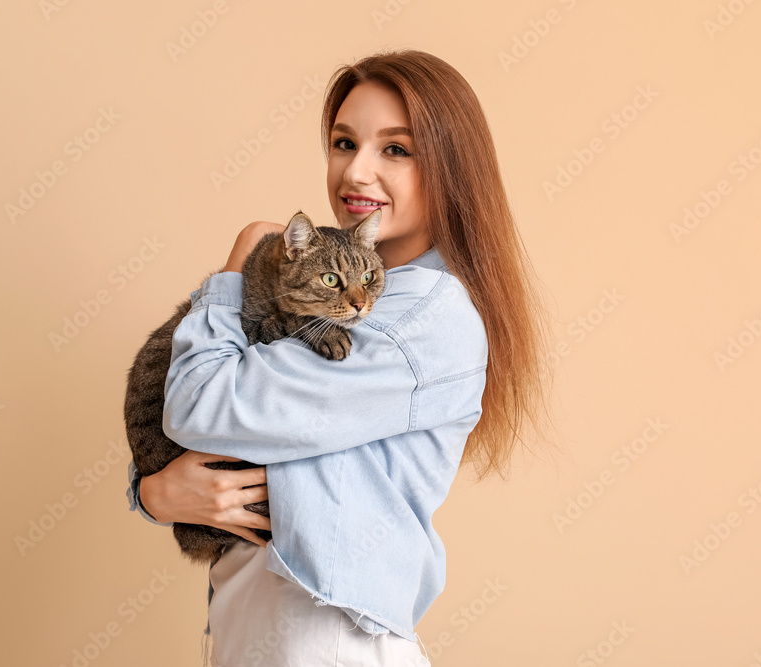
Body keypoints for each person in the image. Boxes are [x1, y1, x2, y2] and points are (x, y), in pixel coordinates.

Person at [126, 48, 557, 666]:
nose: (355, 173)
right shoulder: (345, 293)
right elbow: (225, 438)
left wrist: (237, 264)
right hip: (264, 626)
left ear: (449, 171)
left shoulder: (414, 315)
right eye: (343, 142)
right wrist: (156, 494)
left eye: (395, 149)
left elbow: (199, 406)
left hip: (322, 637)